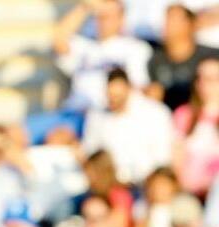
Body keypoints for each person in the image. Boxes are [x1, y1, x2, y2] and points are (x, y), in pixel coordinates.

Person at [28, 0, 152, 143]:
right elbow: (58, 40)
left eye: (109, 17)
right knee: (14, 133)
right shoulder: (84, 46)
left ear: (122, 18)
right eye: (100, 17)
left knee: (57, 138)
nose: (104, 22)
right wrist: (84, 7)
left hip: (102, 116)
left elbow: (139, 88)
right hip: (72, 112)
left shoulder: (135, 49)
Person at [83, 67, 173, 186]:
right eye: (111, 96)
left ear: (129, 89)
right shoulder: (97, 116)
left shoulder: (156, 113)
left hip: (146, 184)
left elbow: (162, 156)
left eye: (118, 96)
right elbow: (91, 151)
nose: (114, 101)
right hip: (110, 185)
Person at [147, 4, 219, 111]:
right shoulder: (155, 59)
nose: (167, 25)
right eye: (166, 20)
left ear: (191, 24)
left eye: (174, 20)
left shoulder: (212, 56)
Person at [173, 56, 219, 198]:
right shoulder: (184, 114)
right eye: (199, 78)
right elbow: (176, 158)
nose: (203, 84)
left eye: (210, 79)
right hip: (188, 192)